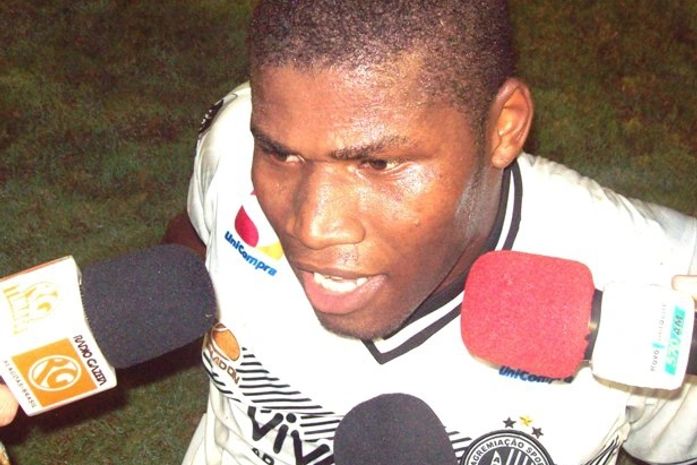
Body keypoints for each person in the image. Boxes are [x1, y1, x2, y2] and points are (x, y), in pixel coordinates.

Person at [170, 2, 697, 465]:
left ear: (504, 127)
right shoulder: (234, 145)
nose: (313, 226)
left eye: (378, 163)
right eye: (282, 154)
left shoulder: (657, 290)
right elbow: (195, 241)